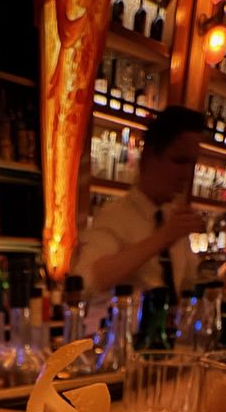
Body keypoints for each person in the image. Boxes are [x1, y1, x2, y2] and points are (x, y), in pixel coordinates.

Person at [73, 106, 205, 305]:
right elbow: (87, 280)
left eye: (192, 164)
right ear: (149, 157)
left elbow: (189, 283)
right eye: (179, 161)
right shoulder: (115, 215)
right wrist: (163, 238)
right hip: (123, 324)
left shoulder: (173, 219)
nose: (187, 175)